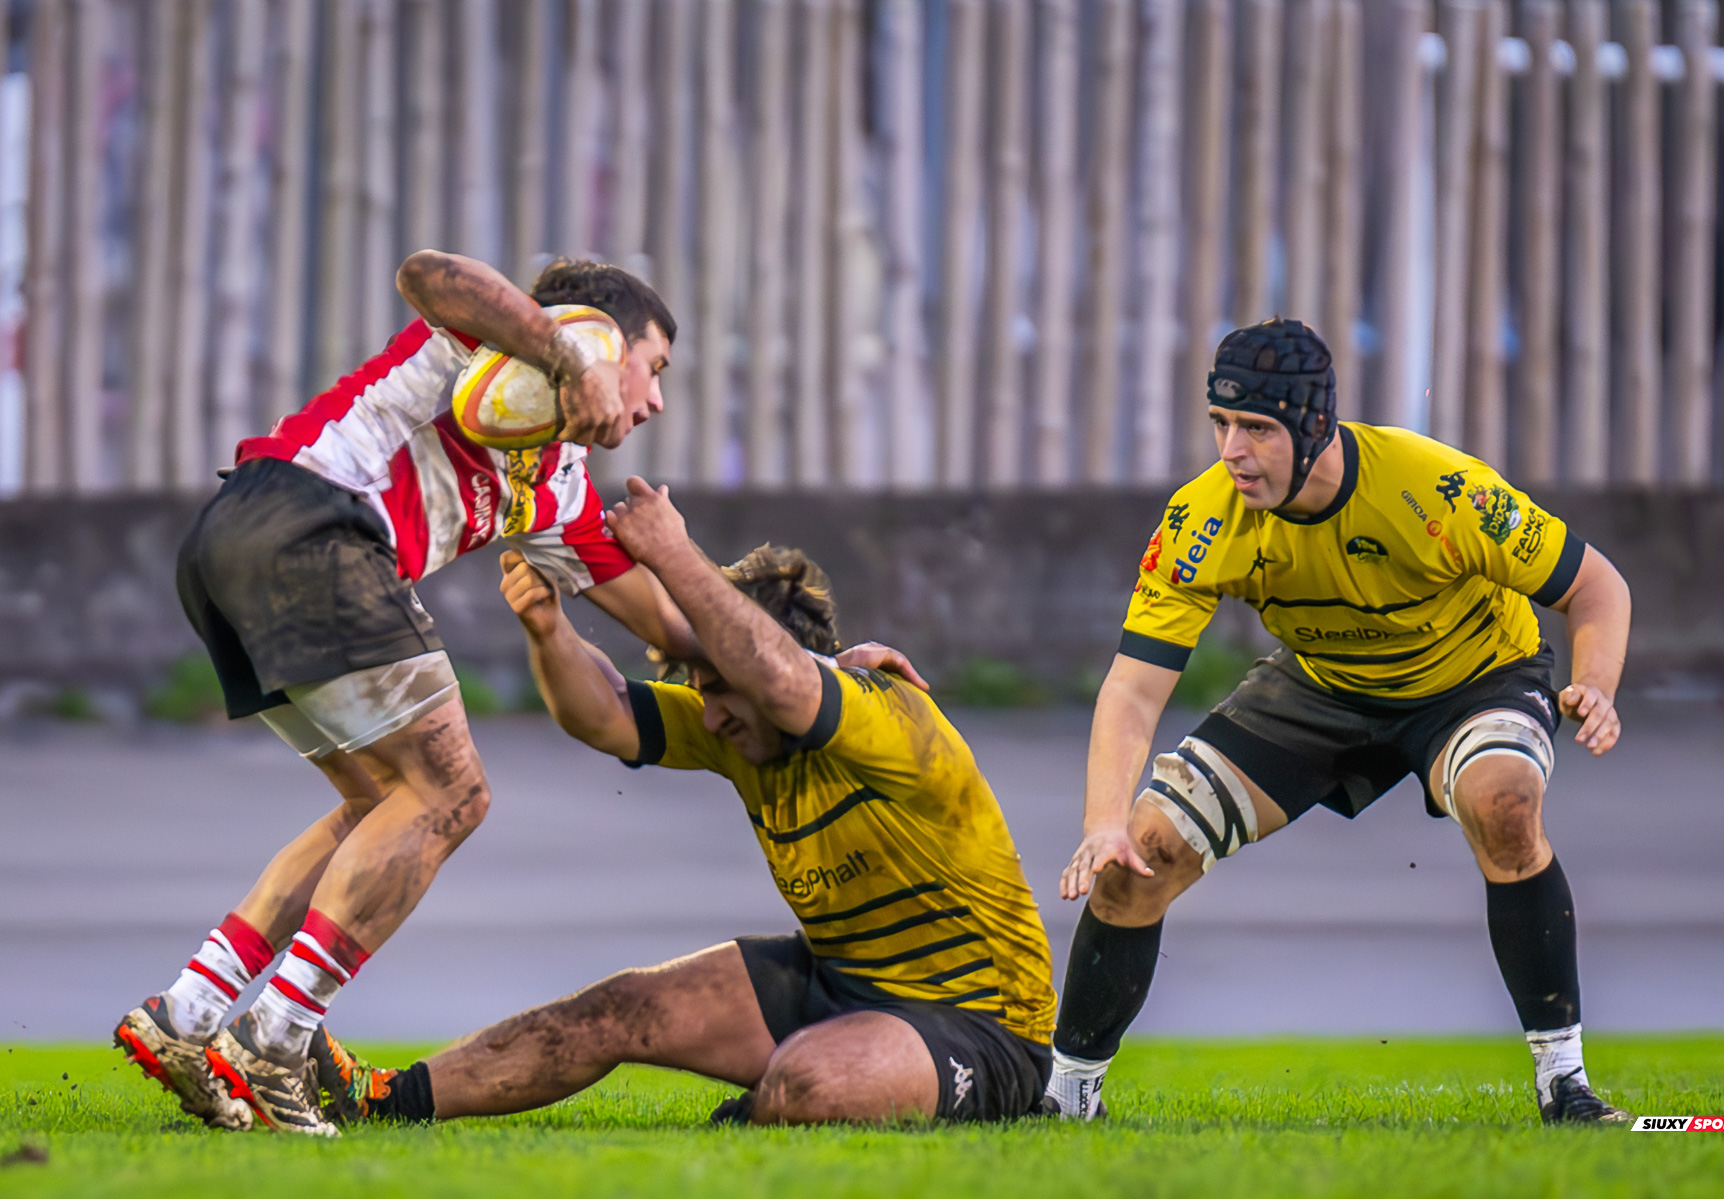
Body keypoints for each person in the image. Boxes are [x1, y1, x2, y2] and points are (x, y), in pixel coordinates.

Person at [114, 252, 698, 1135]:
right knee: (454, 793)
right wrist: (564, 354)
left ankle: (190, 1014)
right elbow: (427, 270)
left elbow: (675, 627)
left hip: (229, 546)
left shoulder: (562, 488)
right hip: (312, 518)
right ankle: (276, 1041)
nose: (653, 402)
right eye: (652, 369)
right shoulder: (497, 343)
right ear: (601, 337)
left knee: (383, 803)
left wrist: (787, 645)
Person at [317, 479, 1058, 1127]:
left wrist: (673, 551)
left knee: (812, 1083)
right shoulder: (741, 727)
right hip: (841, 980)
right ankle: (384, 1099)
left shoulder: (883, 714)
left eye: (720, 694)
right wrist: (547, 628)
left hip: (980, 1023)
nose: (709, 719)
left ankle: (775, 1104)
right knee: (616, 1008)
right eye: (702, 695)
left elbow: (779, 679)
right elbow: (602, 713)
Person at [1045, 318, 1635, 1126]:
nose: (1231, 451)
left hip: (1473, 676)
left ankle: (1565, 1085)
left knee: (1505, 802)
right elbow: (1133, 690)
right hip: (1322, 684)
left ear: (1314, 423)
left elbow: (1596, 587)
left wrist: (1596, 683)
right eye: (1220, 424)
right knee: (1141, 855)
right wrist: (1103, 820)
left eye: (1256, 427)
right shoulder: (1202, 518)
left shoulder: (1437, 489)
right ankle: (1068, 1101)